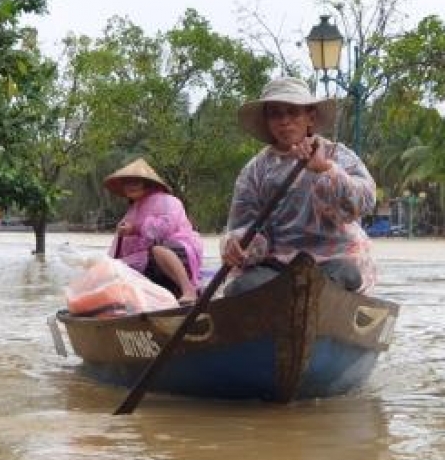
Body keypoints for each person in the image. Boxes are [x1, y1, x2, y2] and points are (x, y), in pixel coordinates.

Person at [221, 77, 377, 295]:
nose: (285, 121)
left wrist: (326, 170)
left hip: (334, 260)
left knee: (344, 276)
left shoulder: (336, 155)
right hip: (276, 265)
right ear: (267, 121)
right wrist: (239, 246)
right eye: (276, 114)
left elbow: (366, 201)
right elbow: (244, 224)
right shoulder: (255, 171)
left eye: (293, 112)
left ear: (310, 117)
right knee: (240, 288)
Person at [103, 158, 203, 305]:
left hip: (178, 249)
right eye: (127, 183)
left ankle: (189, 289)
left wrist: (135, 228)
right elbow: (120, 247)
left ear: (147, 184)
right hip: (148, 261)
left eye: (135, 182)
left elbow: (165, 228)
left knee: (158, 250)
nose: (130, 187)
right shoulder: (132, 210)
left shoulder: (168, 200)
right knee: (115, 268)